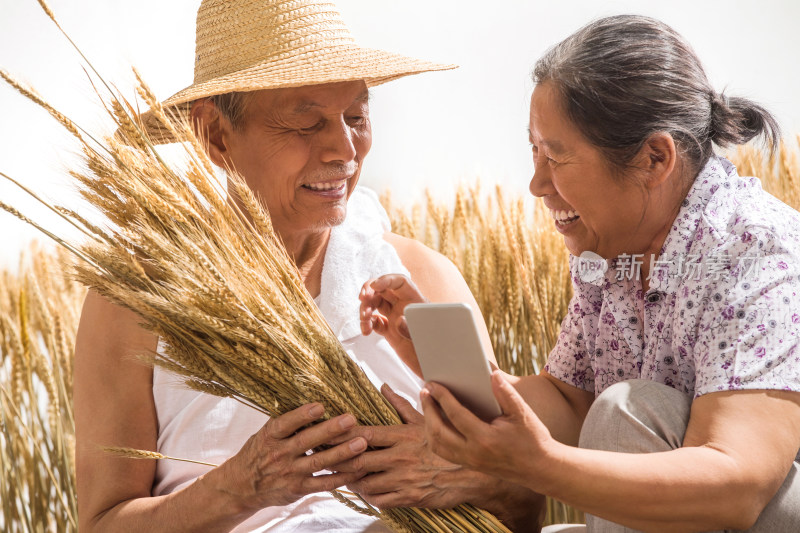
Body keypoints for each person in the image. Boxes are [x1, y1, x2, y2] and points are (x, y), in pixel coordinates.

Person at [73, 0, 539, 532]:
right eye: (306, 123)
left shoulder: (421, 282)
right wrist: (237, 487)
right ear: (217, 137)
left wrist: (467, 480)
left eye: (356, 117)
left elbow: (524, 506)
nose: (344, 149)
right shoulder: (138, 304)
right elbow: (103, 523)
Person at [362, 15, 800, 532]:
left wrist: (538, 465)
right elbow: (571, 399)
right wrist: (462, 394)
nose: (536, 183)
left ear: (654, 159)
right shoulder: (607, 255)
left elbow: (738, 484)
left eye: (556, 156)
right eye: (533, 150)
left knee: (628, 413)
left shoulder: (756, 248)